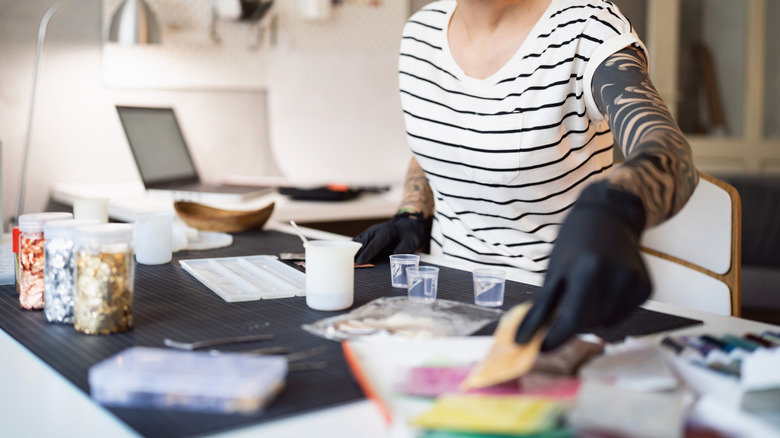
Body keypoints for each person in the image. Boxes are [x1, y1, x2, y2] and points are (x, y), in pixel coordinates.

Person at [353, 0, 698, 351]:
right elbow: (443, 139)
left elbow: (671, 152)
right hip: (438, 307)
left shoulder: (587, 27)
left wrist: (613, 207)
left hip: (552, 313)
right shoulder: (420, 35)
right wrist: (411, 212)